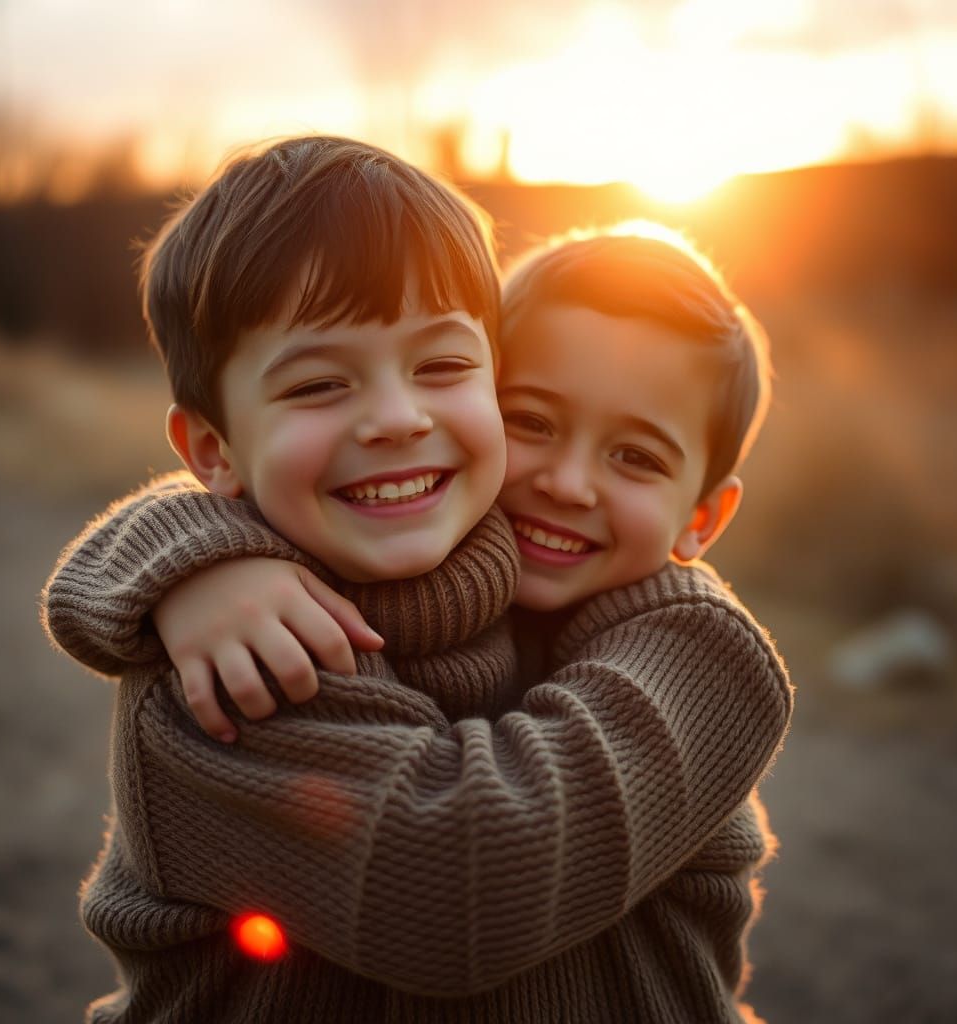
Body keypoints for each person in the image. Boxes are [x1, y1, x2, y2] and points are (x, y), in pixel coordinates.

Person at [44, 135, 792, 1024]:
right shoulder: (238, 660)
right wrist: (186, 553)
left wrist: (185, 549)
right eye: (320, 384)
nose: (399, 419)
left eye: (440, 366)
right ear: (214, 451)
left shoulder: (676, 649)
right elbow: (463, 898)